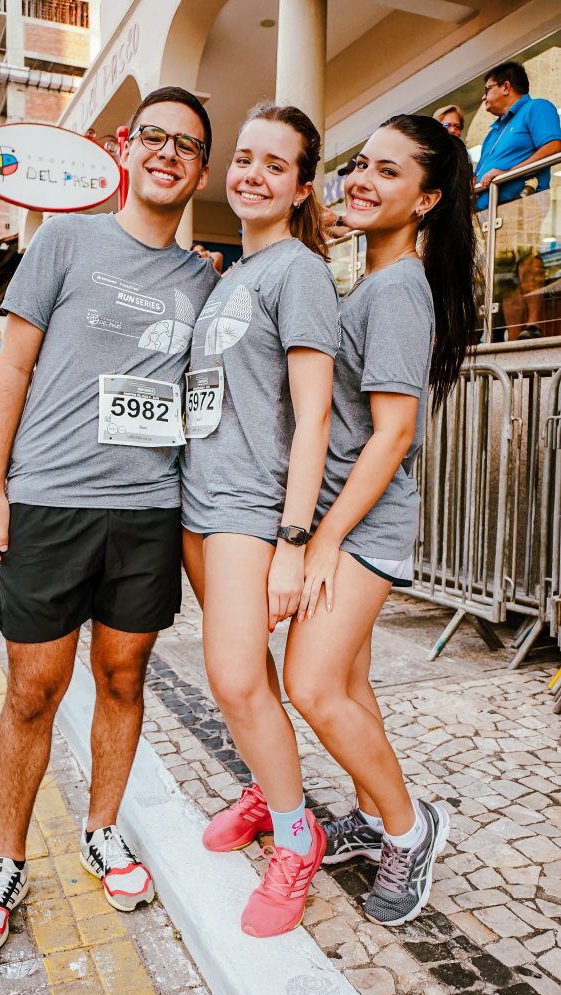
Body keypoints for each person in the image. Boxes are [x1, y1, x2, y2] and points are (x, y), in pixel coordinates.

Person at [0, 86, 217, 958]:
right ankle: (5, 859)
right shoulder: (65, 240)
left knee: (122, 679)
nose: (168, 153)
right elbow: (14, 366)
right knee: (32, 690)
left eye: (186, 145)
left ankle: (103, 830)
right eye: (155, 137)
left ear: (200, 169)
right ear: (125, 146)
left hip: (146, 511)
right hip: (50, 501)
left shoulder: (201, 279)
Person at [277, 114, 477, 926]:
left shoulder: (398, 288)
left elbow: (394, 433)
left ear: (425, 199)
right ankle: (370, 810)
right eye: (361, 163)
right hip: (347, 519)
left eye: (388, 173)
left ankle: (407, 825)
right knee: (349, 683)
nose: (362, 179)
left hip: (358, 526)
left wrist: (320, 540)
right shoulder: (378, 277)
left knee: (310, 683)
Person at [181, 103, 340, 938]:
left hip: (251, 505)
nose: (251, 174)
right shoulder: (228, 276)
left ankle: (295, 836)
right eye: (243, 158)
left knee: (236, 678)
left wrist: (292, 538)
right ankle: (264, 782)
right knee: (251, 681)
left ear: (301, 186)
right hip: (198, 502)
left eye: (274, 165)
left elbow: (311, 415)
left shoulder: (299, 271)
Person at [474, 61, 561, 210]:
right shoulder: (493, 133)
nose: (483, 97)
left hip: (520, 208)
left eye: (487, 89)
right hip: (484, 217)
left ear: (506, 87)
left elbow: (554, 147)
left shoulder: (536, 107)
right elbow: (479, 174)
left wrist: (508, 173)